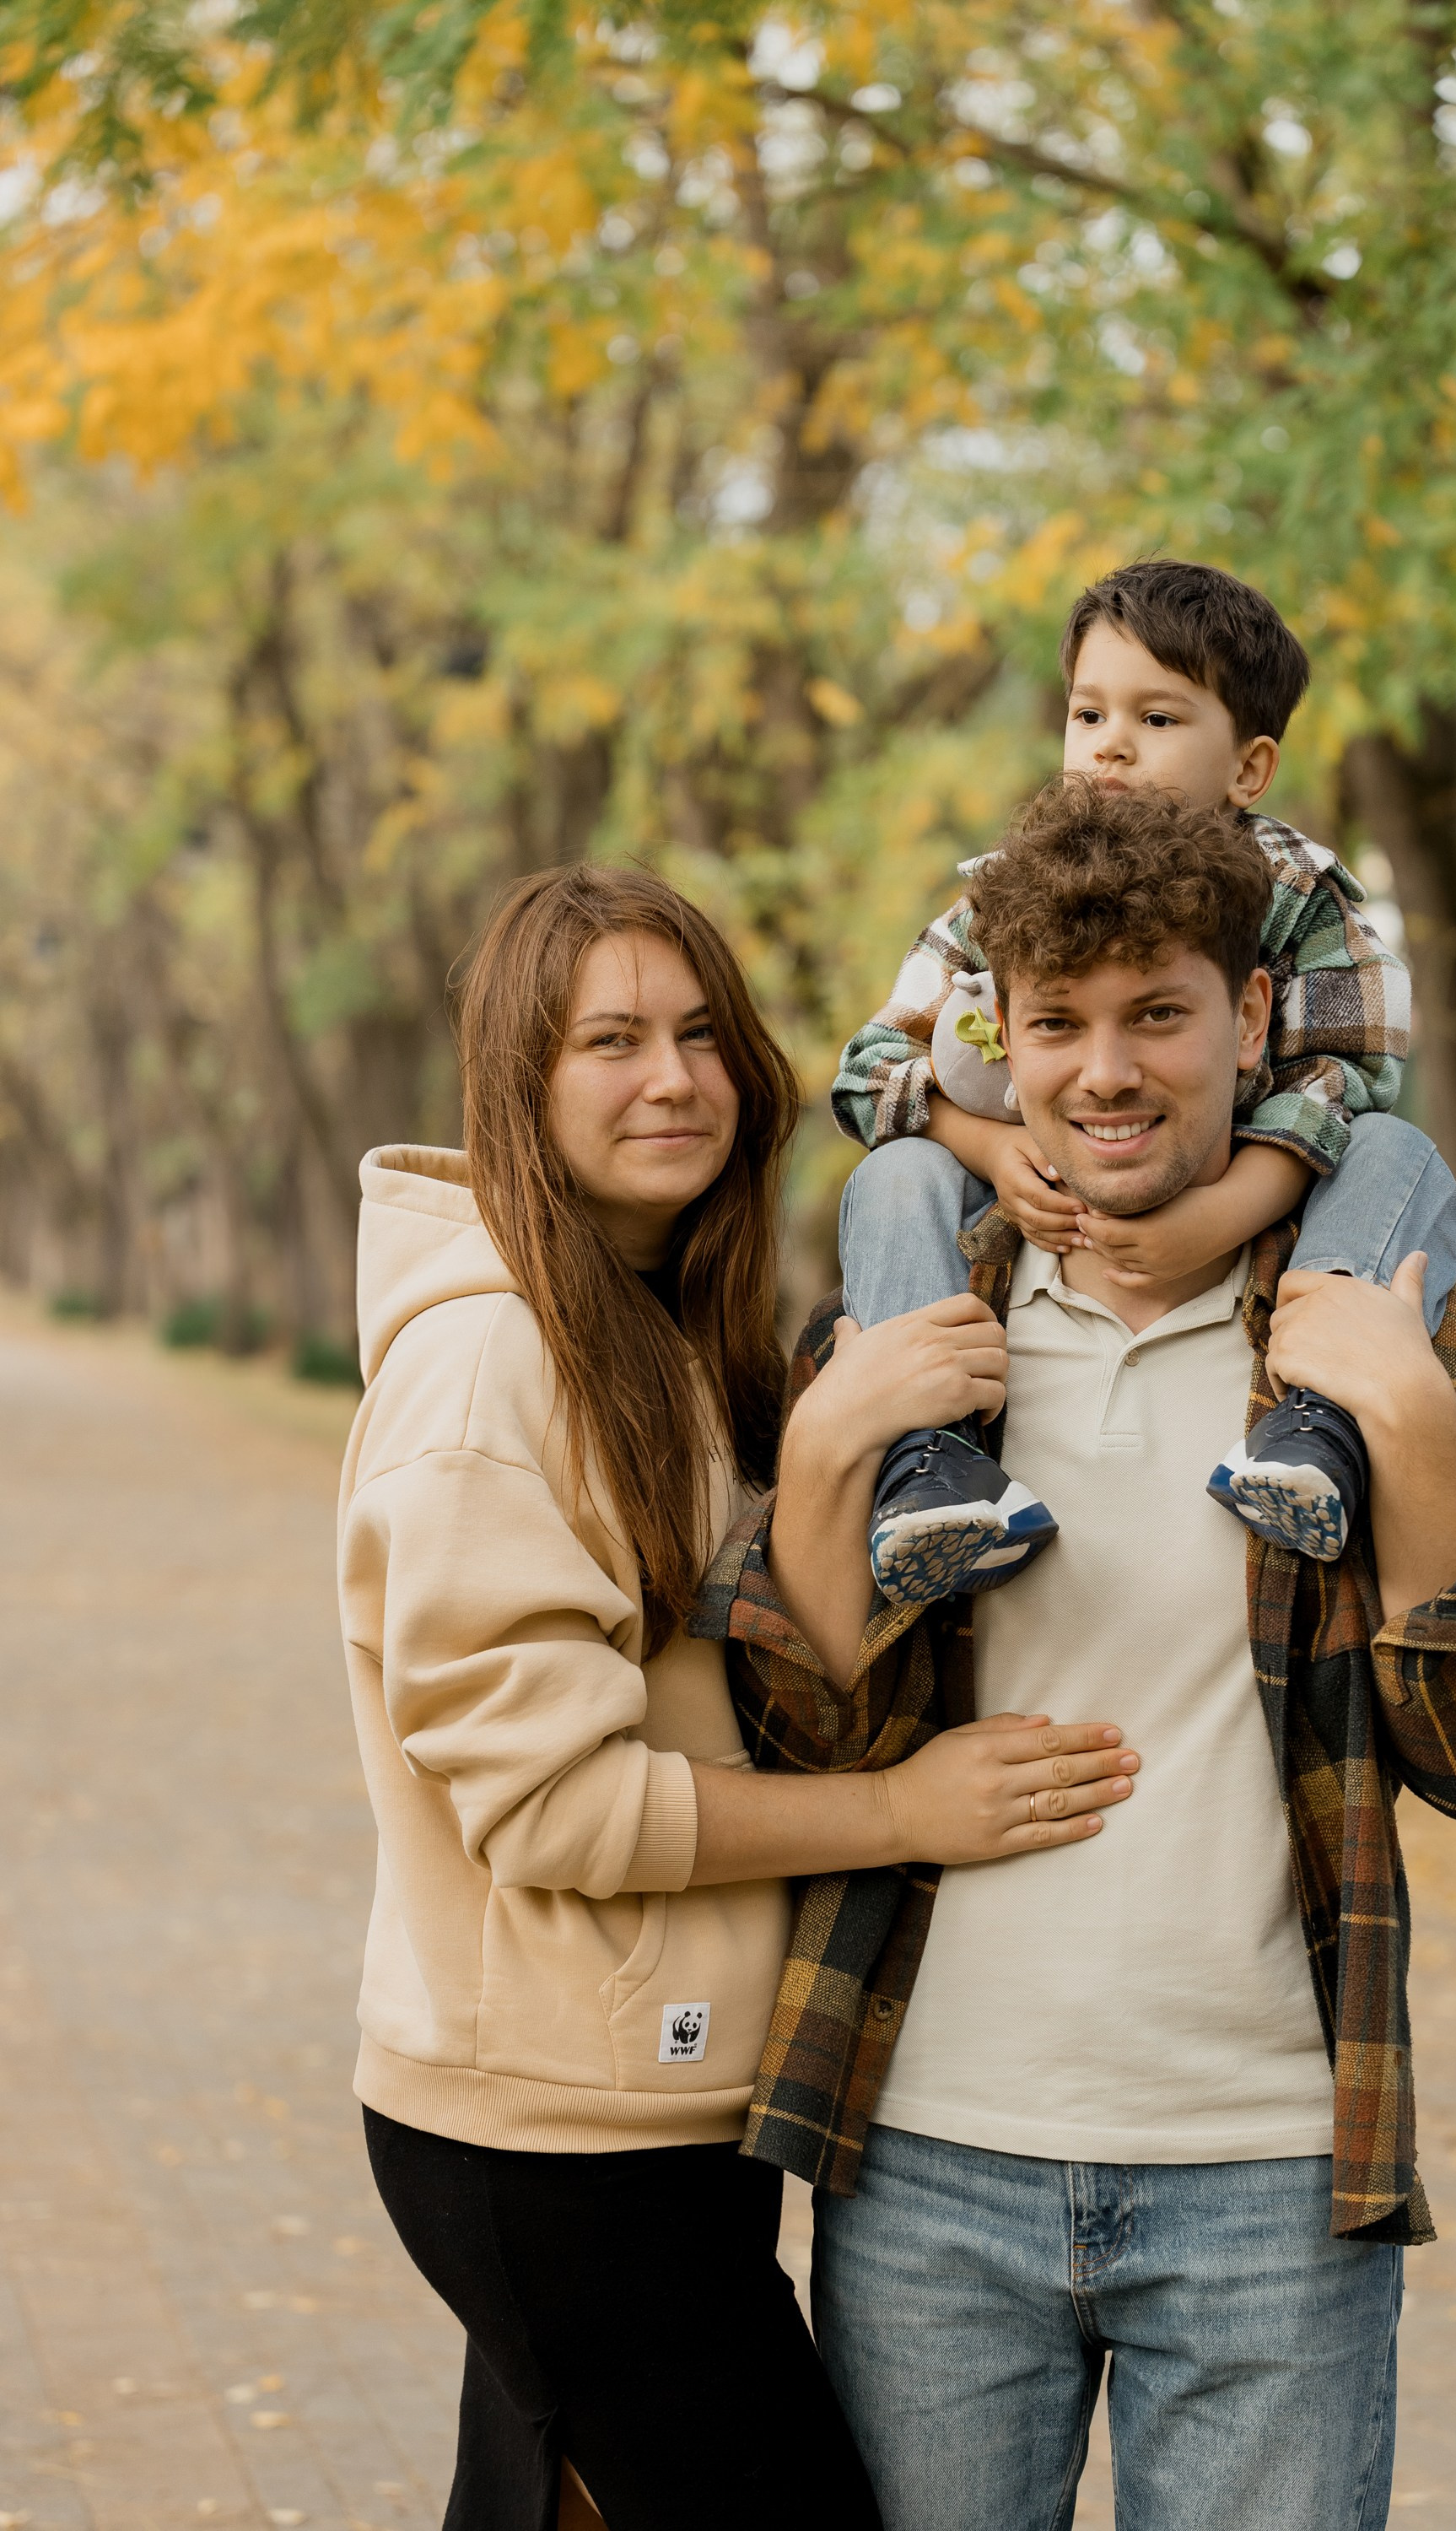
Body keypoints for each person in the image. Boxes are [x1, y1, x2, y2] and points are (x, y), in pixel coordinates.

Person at [698, 785, 1456, 2531]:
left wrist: (1401, 1431)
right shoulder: (910, 1311)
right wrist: (817, 1463)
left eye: (1157, 1014)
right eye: (1059, 1024)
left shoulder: (1386, 1316)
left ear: (1251, 1018)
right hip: (930, 2160)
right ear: (997, 1041)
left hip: (1267, 2182)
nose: (1105, 1069)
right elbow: (797, 1733)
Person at [336, 864, 1138, 2531]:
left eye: (701, 1033)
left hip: (638, 2102)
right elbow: (559, 1805)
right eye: (610, 1041)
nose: (675, 1078)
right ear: (521, 1085)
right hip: (555, 2140)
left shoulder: (651, 1336)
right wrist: (904, 1812)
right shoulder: (492, 1366)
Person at [833, 557, 1456, 1605]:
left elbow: (1353, 1072)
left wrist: (1220, 1215)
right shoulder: (1011, 891)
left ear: (1248, 768)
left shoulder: (1295, 890)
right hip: (1039, 1191)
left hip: (1246, 1186)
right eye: (1088, 713)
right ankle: (925, 1459)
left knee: (1402, 1155)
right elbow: (867, 1071)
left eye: (1158, 719)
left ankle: (1317, 1424)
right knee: (894, 1173)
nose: (1110, 743)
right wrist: (987, 1146)